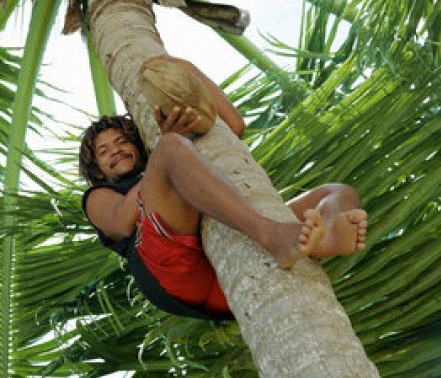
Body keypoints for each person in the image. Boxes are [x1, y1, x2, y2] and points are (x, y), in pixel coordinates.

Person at [79, 57, 368, 319]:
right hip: (177, 272)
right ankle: (272, 234)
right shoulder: (98, 196)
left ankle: (326, 240)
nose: (115, 151)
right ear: (96, 170)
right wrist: (165, 147)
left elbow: (234, 124)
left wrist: (181, 65)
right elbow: (120, 221)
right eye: (103, 151)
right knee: (170, 147)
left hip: (228, 272)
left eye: (121, 141)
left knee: (337, 192)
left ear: (136, 145)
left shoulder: (179, 158)